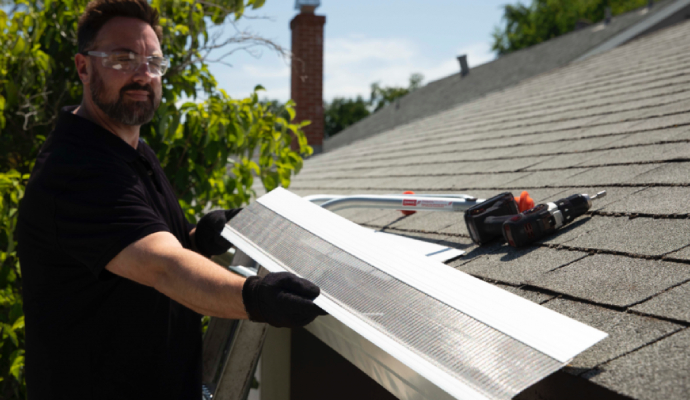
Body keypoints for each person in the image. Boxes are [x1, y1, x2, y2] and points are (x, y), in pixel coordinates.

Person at [16, 1, 326, 398]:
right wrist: (258, 297)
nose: (142, 74)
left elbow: (139, 251)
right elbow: (164, 268)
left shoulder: (130, 149)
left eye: (153, 62)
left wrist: (200, 238)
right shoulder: (75, 170)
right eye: (122, 58)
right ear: (83, 67)